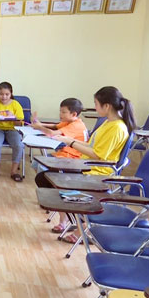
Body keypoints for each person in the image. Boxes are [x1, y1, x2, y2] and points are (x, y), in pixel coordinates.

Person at [42, 87, 136, 243]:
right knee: (47, 178)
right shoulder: (109, 123)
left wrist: (70, 142)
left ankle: (83, 226)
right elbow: (91, 145)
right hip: (86, 165)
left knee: (54, 181)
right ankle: (77, 221)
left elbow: (98, 155)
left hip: (97, 171)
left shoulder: (117, 128)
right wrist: (67, 141)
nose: (95, 107)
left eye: (96, 104)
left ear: (107, 106)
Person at [29, 97, 88, 234]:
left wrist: (39, 127)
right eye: (60, 111)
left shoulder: (75, 126)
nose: (60, 115)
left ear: (74, 114)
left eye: (63, 112)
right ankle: (53, 200)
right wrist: (39, 123)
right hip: (63, 156)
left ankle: (62, 218)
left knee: (54, 182)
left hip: (72, 160)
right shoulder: (69, 122)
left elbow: (51, 133)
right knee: (37, 164)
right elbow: (54, 127)